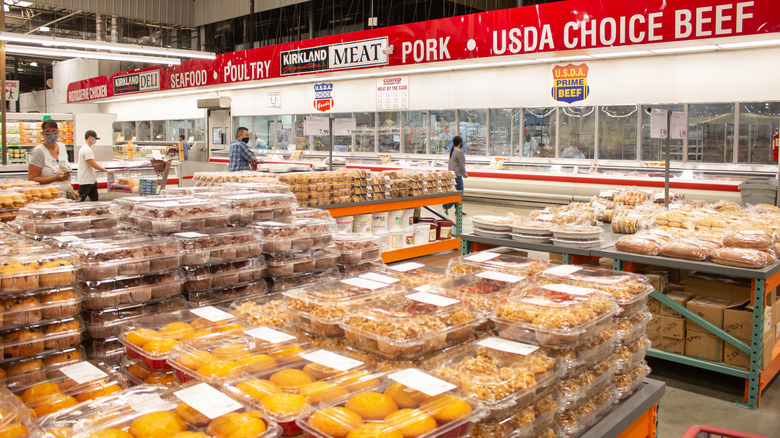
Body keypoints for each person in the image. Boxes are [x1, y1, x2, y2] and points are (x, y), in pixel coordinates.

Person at [28, 119, 73, 199]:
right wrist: (54, 178)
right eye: (47, 131)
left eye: (54, 130)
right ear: (42, 134)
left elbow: (64, 168)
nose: (51, 133)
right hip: (48, 197)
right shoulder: (39, 151)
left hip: (64, 197)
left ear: (58, 132)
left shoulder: (62, 147)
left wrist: (69, 187)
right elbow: (32, 179)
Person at [77, 130, 112, 202]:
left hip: (91, 180)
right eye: (94, 139)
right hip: (86, 181)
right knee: (79, 200)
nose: (95, 140)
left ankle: (96, 212)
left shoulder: (85, 148)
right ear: (90, 137)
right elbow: (93, 164)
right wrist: (106, 170)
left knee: (95, 200)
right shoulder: (87, 150)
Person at [443, 135, 467, 215]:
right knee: (459, 193)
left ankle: (458, 210)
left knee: (456, 191)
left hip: (451, 175)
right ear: (460, 143)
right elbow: (461, 165)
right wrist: (464, 174)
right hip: (457, 175)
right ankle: (447, 205)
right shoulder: (459, 152)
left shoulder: (452, 151)